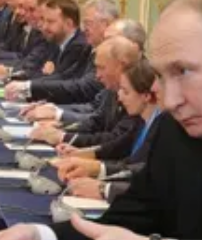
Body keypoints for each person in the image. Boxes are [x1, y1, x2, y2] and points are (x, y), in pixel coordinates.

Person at [0, 0, 202, 240]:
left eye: (183, 71)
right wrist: (42, 236)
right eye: (161, 77)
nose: (170, 101)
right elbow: (124, 224)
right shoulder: (177, 131)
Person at [56, 57, 162, 202]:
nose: (119, 98)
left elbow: (143, 171)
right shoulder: (140, 121)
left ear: (146, 96)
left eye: (125, 91)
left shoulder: (163, 128)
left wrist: (102, 184)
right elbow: (117, 147)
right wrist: (84, 155)